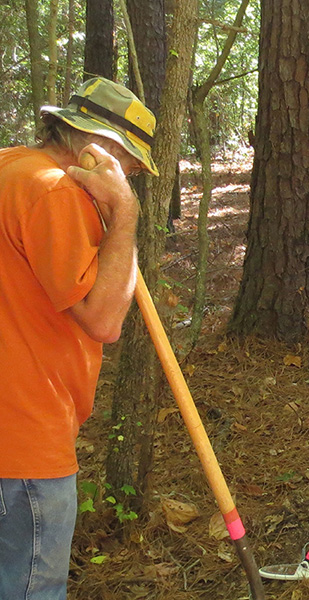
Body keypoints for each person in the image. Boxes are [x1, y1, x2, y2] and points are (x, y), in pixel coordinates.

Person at [0, 77, 158, 599]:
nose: (131, 176)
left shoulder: (10, 167)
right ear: (100, 150)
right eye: (131, 166)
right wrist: (125, 214)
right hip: (24, 441)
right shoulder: (53, 192)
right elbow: (104, 320)